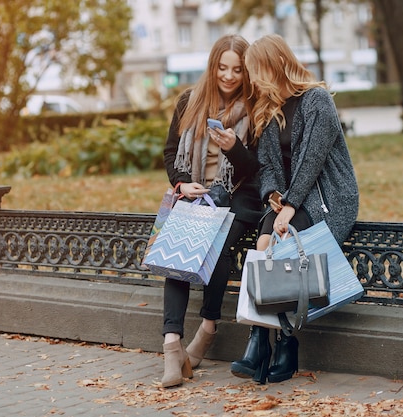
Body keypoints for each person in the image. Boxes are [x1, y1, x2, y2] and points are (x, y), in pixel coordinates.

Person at [230, 34, 359, 384]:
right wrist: (273, 197)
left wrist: (288, 208)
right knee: (263, 244)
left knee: (282, 242)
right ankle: (262, 338)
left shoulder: (317, 100)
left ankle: (280, 343)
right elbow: (268, 166)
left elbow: (312, 162)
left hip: (327, 197)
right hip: (288, 198)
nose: (253, 80)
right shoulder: (269, 108)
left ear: (276, 65)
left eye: (256, 71)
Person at [160, 34, 262, 388]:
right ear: (212, 65)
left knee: (213, 240)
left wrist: (234, 147)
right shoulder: (190, 101)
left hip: (237, 197)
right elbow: (171, 152)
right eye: (222, 67)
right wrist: (182, 184)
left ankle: (207, 326)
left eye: (236, 69)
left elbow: (255, 169)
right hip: (197, 194)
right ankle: (171, 345)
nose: (229, 76)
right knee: (178, 250)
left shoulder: (255, 106)